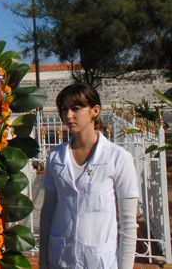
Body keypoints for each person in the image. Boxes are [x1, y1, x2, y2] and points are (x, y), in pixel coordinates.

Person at [39, 83, 138, 269]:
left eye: (76, 108)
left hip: (100, 262)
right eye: (64, 109)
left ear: (95, 110)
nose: (68, 116)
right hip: (60, 259)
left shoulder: (118, 158)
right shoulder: (55, 156)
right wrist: (43, 262)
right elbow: (48, 212)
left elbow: (128, 225)